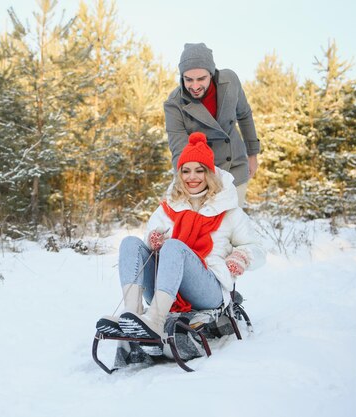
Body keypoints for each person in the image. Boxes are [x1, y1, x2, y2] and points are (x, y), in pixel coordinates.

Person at [96, 132, 265, 346]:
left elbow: (258, 249)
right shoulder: (168, 208)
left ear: (210, 173)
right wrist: (153, 241)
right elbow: (148, 244)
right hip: (166, 288)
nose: (191, 177)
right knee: (130, 243)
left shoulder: (228, 210)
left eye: (199, 170)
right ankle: (133, 315)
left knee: (175, 246)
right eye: (185, 171)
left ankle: (155, 321)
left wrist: (241, 256)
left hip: (208, 289)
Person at [164, 43, 260, 207]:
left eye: (201, 78)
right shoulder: (174, 104)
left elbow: (244, 115)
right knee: (204, 229)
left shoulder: (230, 81)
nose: (194, 86)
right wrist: (184, 183)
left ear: (211, 73)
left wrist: (252, 155)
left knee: (231, 225)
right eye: (188, 79)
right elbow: (179, 148)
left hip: (235, 166)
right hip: (201, 177)